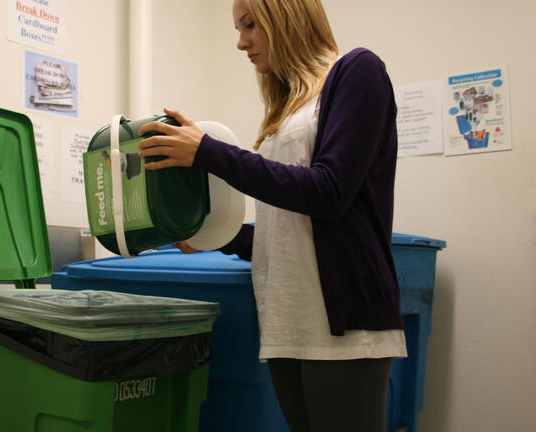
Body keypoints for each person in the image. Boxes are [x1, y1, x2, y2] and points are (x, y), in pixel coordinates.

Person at [137, 0, 405, 431]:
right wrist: (214, 236)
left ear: (287, 17)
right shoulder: (287, 111)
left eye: (250, 24)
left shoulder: (358, 71)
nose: (241, 42)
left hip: (345, 327)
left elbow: (329, 192)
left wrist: (208, 152)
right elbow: (288, 229)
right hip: (289, 318)